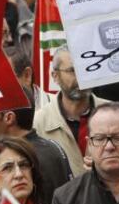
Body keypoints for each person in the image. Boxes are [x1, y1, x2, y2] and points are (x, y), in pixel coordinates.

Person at [0, 87, 73, 204]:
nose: (19, 174)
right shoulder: (53, 147)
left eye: (24, 165)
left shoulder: (33, 155)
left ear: (9, 118)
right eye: (8, 168)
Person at [33, 44, 109, 176]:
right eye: (73, 70)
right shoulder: (39, 123)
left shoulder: (114, 114)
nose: (81, 77)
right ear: (55, 76)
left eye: (86, 69)